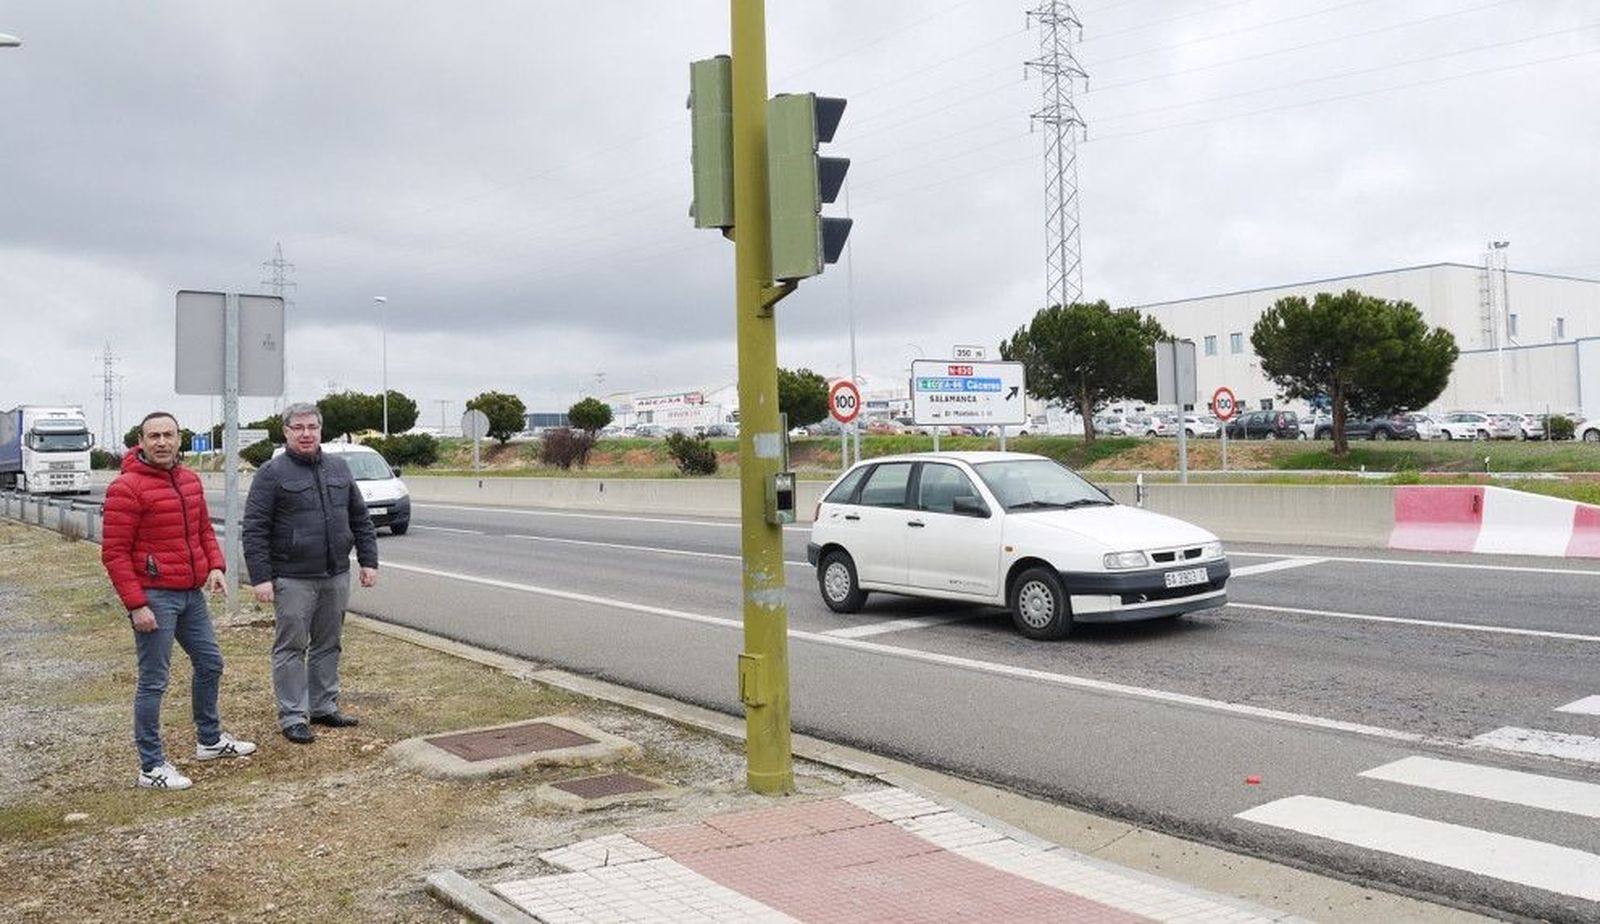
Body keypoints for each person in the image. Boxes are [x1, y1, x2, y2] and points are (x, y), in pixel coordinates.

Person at [101, 411, 257, 790]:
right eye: (153, 436)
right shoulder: (126, 488)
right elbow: (114, 553)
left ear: (179, 438)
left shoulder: (188, 480)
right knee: (154, 681)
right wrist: (137, 605)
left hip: (191, 593)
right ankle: (151, 766)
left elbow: (203, 529)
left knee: (210, 664)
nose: (161, 442)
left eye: (168, 435)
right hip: (154, 596)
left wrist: (216, 566)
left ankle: (209, 740)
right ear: (141, 440)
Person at [242, 402, 378, 745]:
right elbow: (255, 529)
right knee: (291, 647)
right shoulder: (271, 474)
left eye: (312, 427)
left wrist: (368, 561)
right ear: (286, 432)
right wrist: (260, 578)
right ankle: (292, 715)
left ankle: (322, 706)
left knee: (329, 644)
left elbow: (360, 518)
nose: (306, 434)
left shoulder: (339, 469)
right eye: (298, 428)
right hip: (292, 577)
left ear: (320, 430)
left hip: (334, 573)